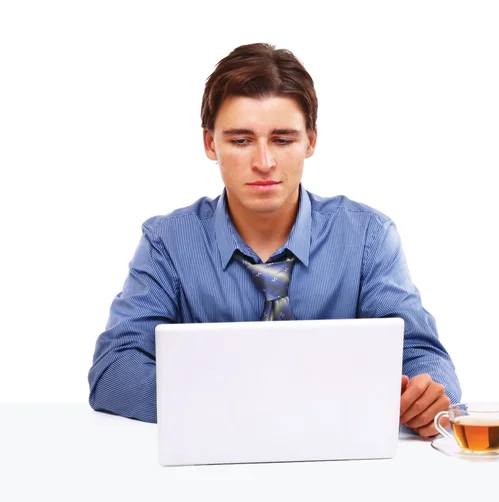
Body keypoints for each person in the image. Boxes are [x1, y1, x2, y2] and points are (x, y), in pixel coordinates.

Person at [88, 42, 461, 437]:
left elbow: (423, 356)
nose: (264, 162)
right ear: (210, 143)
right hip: (211, 471)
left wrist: (429, 395)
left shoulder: (367, 236)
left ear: (311, 141)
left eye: (282, 140)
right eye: (241, 140)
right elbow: (115, 370)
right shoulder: (167, 242)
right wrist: (247, 405)